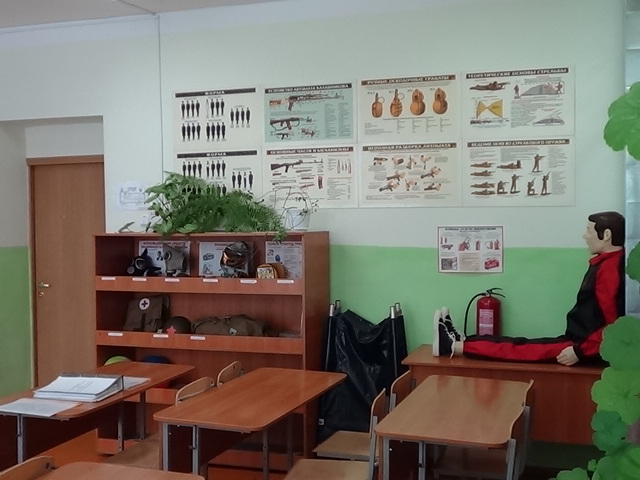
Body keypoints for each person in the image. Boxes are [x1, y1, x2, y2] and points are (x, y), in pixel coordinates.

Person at [433, 211, 625, 365]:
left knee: (520, 350)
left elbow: (615, 326)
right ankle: (461, 341)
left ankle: (454, 346)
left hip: (582, 346)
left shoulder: (610, 270)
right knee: (519, 345)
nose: (585, 236)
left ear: (606, 235)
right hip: (580, 341)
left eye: (589, 231)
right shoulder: (606, 264)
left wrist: (580, 351)